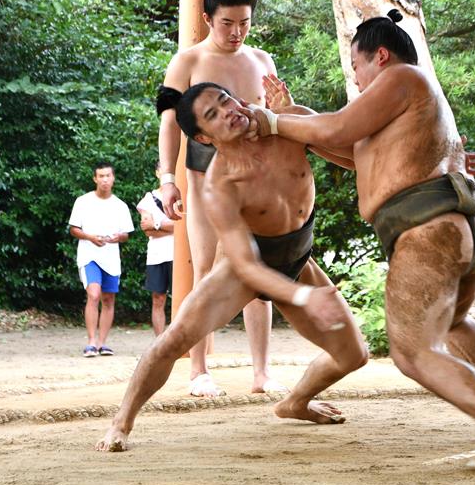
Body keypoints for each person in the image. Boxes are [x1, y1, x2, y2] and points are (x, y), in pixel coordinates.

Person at [249, 10, 475, 469]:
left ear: (379, 56)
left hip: (428, 229)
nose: (358, 80)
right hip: (458, 226)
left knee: (411, 351)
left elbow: (338, 128)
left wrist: (271, 122)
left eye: (357, 68)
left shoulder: (402, 76)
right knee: (456, 326)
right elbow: (348, 150)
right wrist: (289, 117)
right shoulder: (410, 98)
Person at [95, 83, 368, 453]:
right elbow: (245, 263)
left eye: (226, 100)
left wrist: (292, 121)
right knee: (173, 341)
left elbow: (357, 158)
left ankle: (295, 403)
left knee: (354, 355)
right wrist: (303, 296)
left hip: (296, 259)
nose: (228, 111)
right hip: (241, 270)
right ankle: (121, 424)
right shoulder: (220, 185)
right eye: (213, 114)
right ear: (205, 138)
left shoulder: (288, 123)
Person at [156, 0, 285, 396]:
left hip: (258, 176)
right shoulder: (188, 60)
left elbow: (280, 117)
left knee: (260, 269)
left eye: (245, 23)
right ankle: (198, 369)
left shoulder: (262, 60)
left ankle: (262, 371)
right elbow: (170, 124)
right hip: (205, 177)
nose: (237, 32)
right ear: (209, 18)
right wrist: (166, 179)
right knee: (206, 268)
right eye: (228, 23)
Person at [68, 161, 134, 357]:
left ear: (113, 178)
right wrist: (91, 237)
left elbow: (126, 234)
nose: (105, 180)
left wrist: (116, 238)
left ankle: (102, 343)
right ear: (95, 178)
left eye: (108, 176)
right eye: (101, 176)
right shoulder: (83, 201)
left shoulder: (120, 206)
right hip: (89, 256)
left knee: (108, 298)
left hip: (111, 258)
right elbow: (74, 229)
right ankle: (91, 341)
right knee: (94, 294)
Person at [136, 160, 174, 336]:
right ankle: (159, 340)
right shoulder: (147, 200)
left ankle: (178, 338)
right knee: (158, 299)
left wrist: (157, 223)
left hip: (178, 255)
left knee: (182, 299)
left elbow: (182, 227)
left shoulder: (181, 197)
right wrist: (168, 226)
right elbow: (147, 229)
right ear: (157, 173)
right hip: (156, 255)